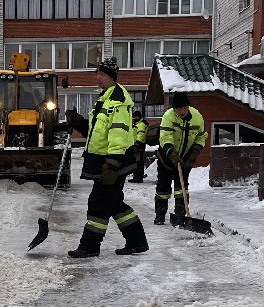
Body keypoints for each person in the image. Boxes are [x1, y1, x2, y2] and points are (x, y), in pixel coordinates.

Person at [70, 59, 148, 259]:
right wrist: (79, 123)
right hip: (105, 162)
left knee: (98, 203)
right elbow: (98, 132)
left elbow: (119, 135)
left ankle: (89, 246)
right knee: (113, 203)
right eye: (97, 74)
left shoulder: (119, 101)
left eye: (102, 75)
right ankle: (137, 242)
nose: (98, 78)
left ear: (111, 77)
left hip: (114, 163)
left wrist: (111, 165)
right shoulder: (104, 99)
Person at [154, 93, 208, 225]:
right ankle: (160, 215)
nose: (182, 112)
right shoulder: (168, 116)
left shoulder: (197, 117)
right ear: (174, 109)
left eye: (185, 108)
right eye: (179, 109)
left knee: (182, 187)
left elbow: (201, 137)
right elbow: (165, 137)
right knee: (163, 188)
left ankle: (180, 215)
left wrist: (195, 152)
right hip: (166, 157)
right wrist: (172, 153)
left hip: (185, 158)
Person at [129, 108, 149, 183]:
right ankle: (136, 176)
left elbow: (141, 135)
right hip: (135, 145)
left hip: (139, 146)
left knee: (139, 162)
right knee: (136, 162)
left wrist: (137, 144)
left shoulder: (141, 125)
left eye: (136, 117)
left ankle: (138, 177)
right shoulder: (136, 124)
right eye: (134, 117)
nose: (134, 118)